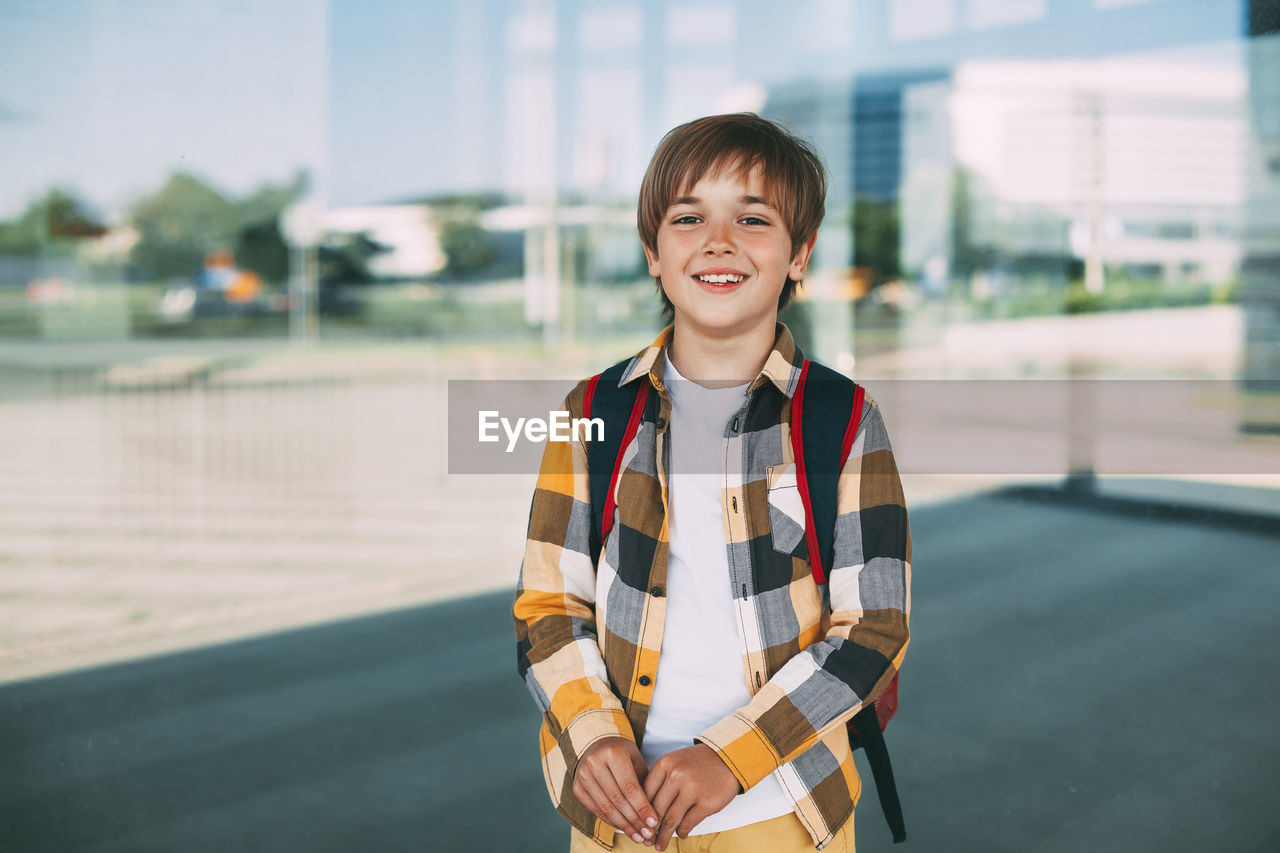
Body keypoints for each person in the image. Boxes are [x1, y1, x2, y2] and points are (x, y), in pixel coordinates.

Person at [514, 113, 911, 853]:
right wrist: (591, 732)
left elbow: (876, 626)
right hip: (619, 820)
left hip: (785, 816)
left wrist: (734, 756)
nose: (718, 240)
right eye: (688, 216)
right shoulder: (590, 412)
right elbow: (548, 602)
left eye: (752, 218)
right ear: (653, 254)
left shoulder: (844, 420)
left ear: (800, 254)